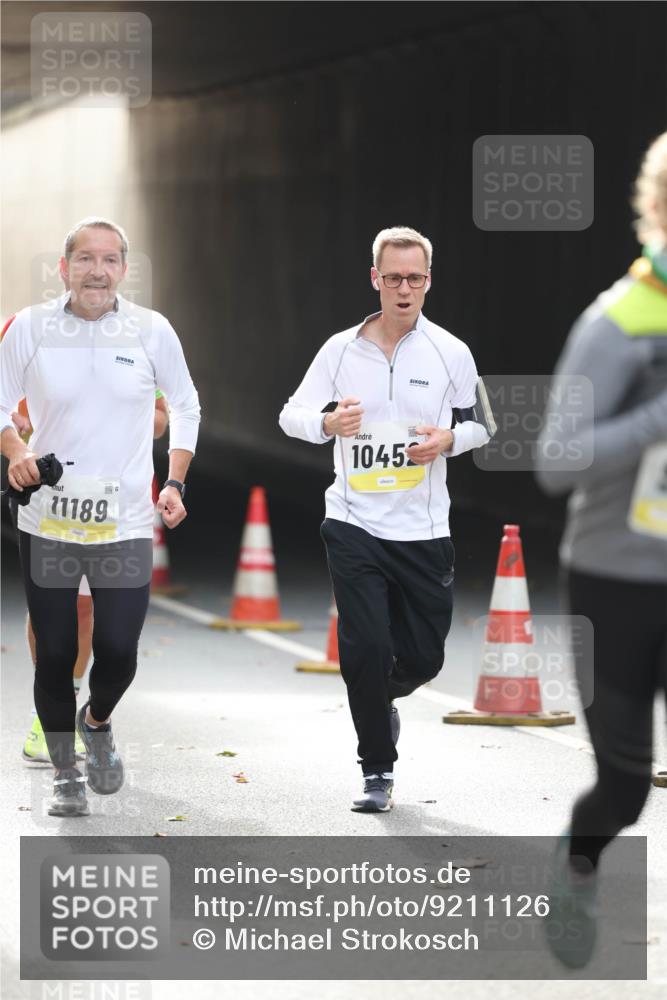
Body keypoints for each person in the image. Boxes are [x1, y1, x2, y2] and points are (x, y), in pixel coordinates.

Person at [279, 226, 493, 812]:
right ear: (375, 279)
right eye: (393, 277)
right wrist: (326, 425)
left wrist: (448, 439)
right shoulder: (340, 350)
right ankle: (377, 769)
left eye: (415, 278)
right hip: (352, 523)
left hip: (423, 531)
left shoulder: (451, 351)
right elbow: (290, 414)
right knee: (367, 646)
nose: (404, 289)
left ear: (429, 281)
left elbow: (483, 425)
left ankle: (377, 699)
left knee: (425, 656)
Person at [0, 216, 200, 816]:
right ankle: (64, 772)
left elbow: (185, 405)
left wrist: (175, 480)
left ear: (123, 269)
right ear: (63, 268)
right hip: (49, 519)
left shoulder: (151, 331)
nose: (97, 270)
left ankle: (98, 720)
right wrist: (17, 452)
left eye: (109, 259)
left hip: (126, 520)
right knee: (57, 651)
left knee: (118, 648)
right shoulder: (32, 328)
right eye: (84, 259)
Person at [536, 132, 667, 967]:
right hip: (617, 580)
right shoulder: (617, 321)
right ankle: (576, 866)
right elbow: (555, 461)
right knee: (623, 783)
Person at [6, 384, 170, 765]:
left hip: (113, 502)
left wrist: (114, 414)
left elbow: (161, 422)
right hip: (49, 498)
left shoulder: (137, 336)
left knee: (89, 613)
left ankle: (78, 709)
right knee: (56, 611)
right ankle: (48, 722)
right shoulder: (25, 330)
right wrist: (17, 434)